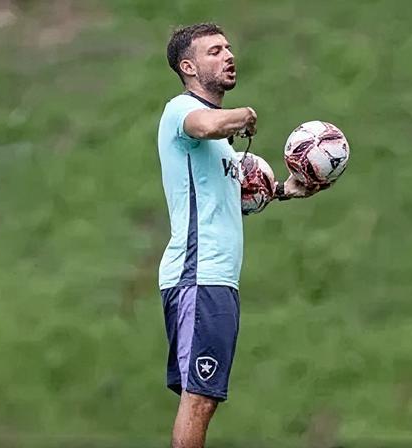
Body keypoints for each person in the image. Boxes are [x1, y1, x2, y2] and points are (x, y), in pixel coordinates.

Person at [157, 22, 314, 447]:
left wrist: (283, 190)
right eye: (214, 51)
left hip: (218, 280)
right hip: (197, 275)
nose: (228, 55)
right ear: (188, 67)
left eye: (228, 48)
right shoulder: (181, 111)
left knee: (204, 397)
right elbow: (205, 125)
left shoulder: (223, 148)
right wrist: (242, 116)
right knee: (199, 397)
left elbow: (230, 198)